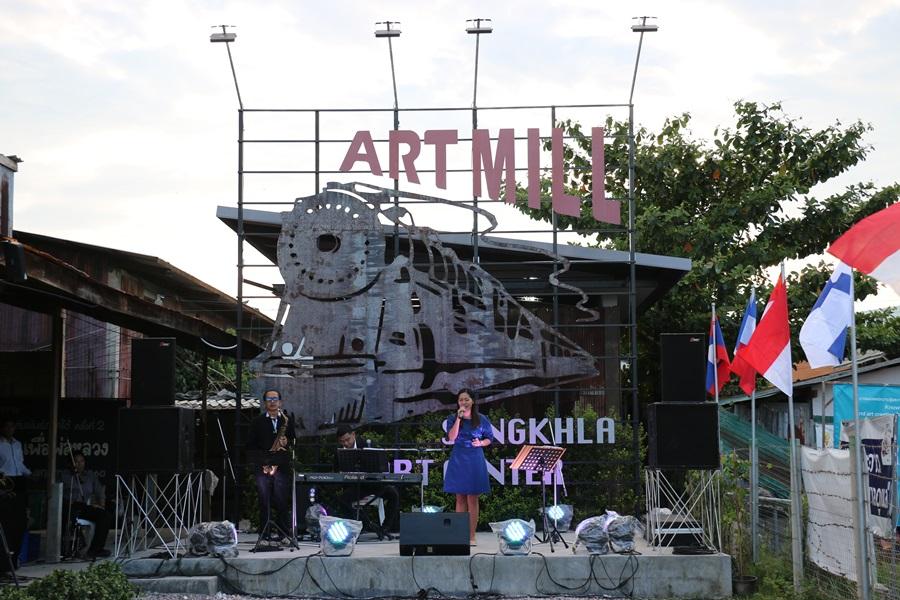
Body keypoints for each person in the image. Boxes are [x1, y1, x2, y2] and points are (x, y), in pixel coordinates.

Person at [443, 389, 494, 545]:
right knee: (459, 497)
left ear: (472, 401)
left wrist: (481, 443)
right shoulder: (453, 418)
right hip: (458, 456)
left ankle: (471, 536)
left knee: (472, 497)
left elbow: (489, 438)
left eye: (466, 399)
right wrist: (459, 419)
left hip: (474, 457)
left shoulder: (481, 418)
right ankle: (460, 535)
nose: (463, 402)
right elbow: (451, 437)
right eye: (461, 400)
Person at [247, 390, 296, 541]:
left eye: (275, 399)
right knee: (264, 500)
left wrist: (286, 441)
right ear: (265, 403)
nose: (272, 402)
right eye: (269, 399)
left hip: (281, 465)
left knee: (282, 499)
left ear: (280, 402)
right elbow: (250, 445)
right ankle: (265, 534)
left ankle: (284, 533)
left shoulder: (287, 420)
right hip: (263, 465)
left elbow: (293, 439)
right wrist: (262, 462)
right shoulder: (257, 421)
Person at [335, 424, 400, 534]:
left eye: (347, 440)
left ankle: (385, 528)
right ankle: (356, 527)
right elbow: (337, 471)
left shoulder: (367, 444)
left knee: (393, 494)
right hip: (355, 486)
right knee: (343, 500)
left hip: (373, 484)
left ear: (353, 435)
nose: (345, 443)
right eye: (342, 441)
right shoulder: (339, 451)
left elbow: (380, 464)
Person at [60, 450, 112, 558]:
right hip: (68, 505)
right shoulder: (64, 475)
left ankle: (96, 549)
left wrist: (101, 505)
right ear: (70, 464)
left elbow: (99, 491)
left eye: (82, 461)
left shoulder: (90, 475)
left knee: (104, 515)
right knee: (67, 516)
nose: (79, 464)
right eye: (76, 461)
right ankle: (67, 548)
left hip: (82, 506)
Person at [0, 418, 30, 568]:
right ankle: (4, 561)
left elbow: (19, 464)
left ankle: (14, 559)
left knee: (20, 522)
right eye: (7, 426)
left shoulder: (17, 444)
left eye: (12, 426)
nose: (10, 429)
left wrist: (29, 473)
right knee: (7, 522)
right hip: (4, 481)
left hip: (18, 481)